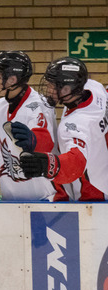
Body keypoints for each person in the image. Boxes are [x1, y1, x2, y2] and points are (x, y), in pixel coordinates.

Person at [0, 50, 59, 202]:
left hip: (44, 198)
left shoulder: (39, 105)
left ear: (13, 79)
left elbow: (47, 142)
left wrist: (33, 139)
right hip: (11, 199)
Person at [18, 57, 108, 201]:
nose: (48, 90)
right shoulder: (94, 88)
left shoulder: (76, 124)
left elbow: (76, 161)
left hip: (97, 194)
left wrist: (48, 164)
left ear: (68, 88)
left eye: (53, 86)